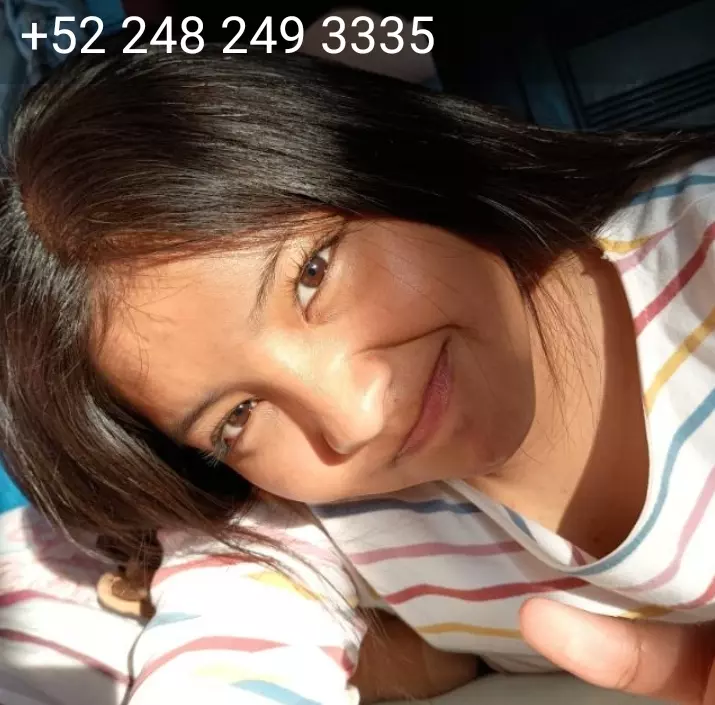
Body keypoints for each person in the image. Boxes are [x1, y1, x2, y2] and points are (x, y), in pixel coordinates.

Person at [0, 44, 713, 704]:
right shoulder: (293, 515)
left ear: (385, 162)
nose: (356, 418)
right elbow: (226, 649)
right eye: (237, 417)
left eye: (312, 274)